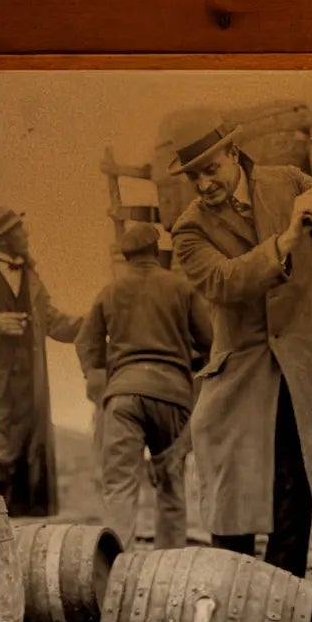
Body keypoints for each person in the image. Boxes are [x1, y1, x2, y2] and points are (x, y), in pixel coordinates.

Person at [167, 116, 312, 580]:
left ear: (234, 155)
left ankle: (283, 610)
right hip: (241, 378)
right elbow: (223, 282)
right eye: (194, 176)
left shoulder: (290, 184)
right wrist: (285, 240)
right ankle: (234, 611)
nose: (203, 184)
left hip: (304, 368)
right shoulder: (189, 230)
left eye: (211, 169)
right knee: (231, 509)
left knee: (292, 496)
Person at [77, 221, 211, 550]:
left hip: (122, 396)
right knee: (170, 485)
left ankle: (113, 568)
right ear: (156, 252)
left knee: (120, 487)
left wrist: (101, 383)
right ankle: (166, 570)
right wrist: (185, 363)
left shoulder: (109, 291)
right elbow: (211, 342)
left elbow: (86, 344)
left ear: (126, 257)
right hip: (172, 395)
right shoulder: (181, 287)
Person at [0, 206, 72, 516]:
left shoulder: (31, 277)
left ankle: (22, 537)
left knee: (29, 460)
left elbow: (55, 322)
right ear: (3, 239)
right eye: (19, 231)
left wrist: (101, 323)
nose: (26, 236)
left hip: (29, 390)